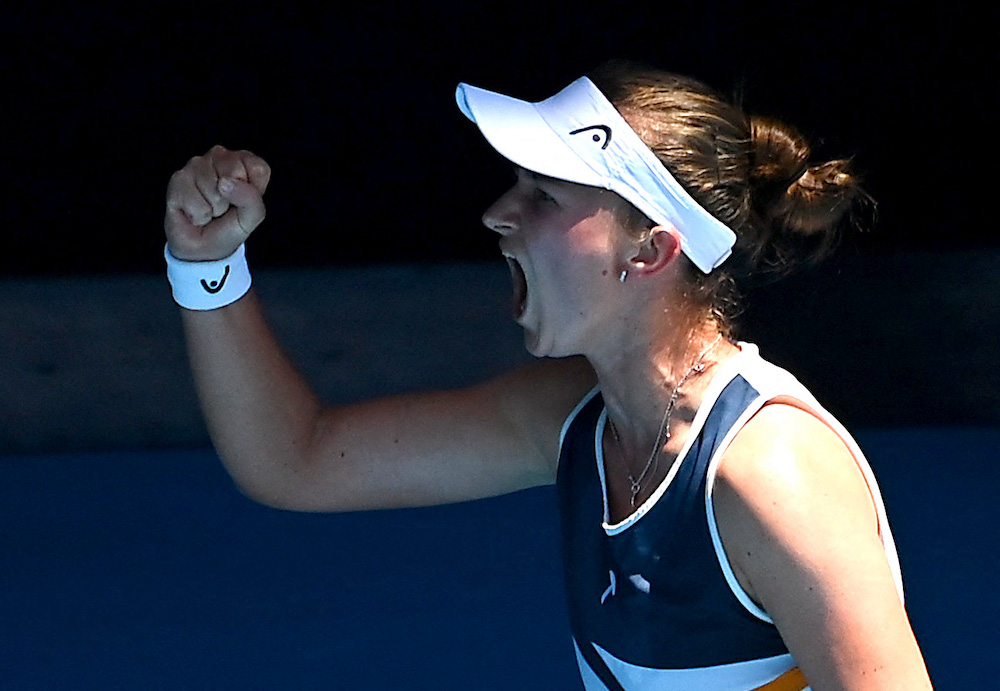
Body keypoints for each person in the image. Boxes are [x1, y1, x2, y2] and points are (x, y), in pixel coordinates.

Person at [163, 60, 932, 690]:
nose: (499, 213)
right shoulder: (575, 423)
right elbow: (294, 459)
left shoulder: (769, 474)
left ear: (650, 251)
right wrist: (207, 265)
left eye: (543, 194)